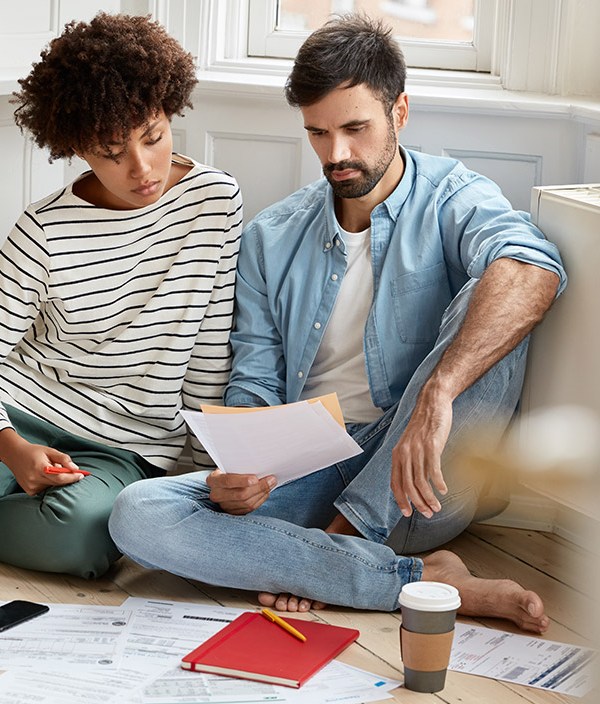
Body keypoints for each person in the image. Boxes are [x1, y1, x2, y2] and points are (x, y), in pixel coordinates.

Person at [109, 14, 566, 632]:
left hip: (418, 473)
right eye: (318, 133)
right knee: (137, 513)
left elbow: (533, 269)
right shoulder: (272, 237)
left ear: (399, 112)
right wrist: (238, 466)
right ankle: (413, 577)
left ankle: (334, 549)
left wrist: (439, 392)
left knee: (496, 293)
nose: (337, 154)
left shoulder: (453, 196)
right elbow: (254, 381)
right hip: (308, 469)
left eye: (356, 128)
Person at [0, 13, 242, 579]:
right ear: (79, 147)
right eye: (112, 152)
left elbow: (208, 351)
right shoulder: (44, 229)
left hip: (124, 448)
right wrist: (10, 445)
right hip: (19, 412)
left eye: (153, 137)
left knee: (83, 538)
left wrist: (206, 478)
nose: (141, 167)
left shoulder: (214, 202)